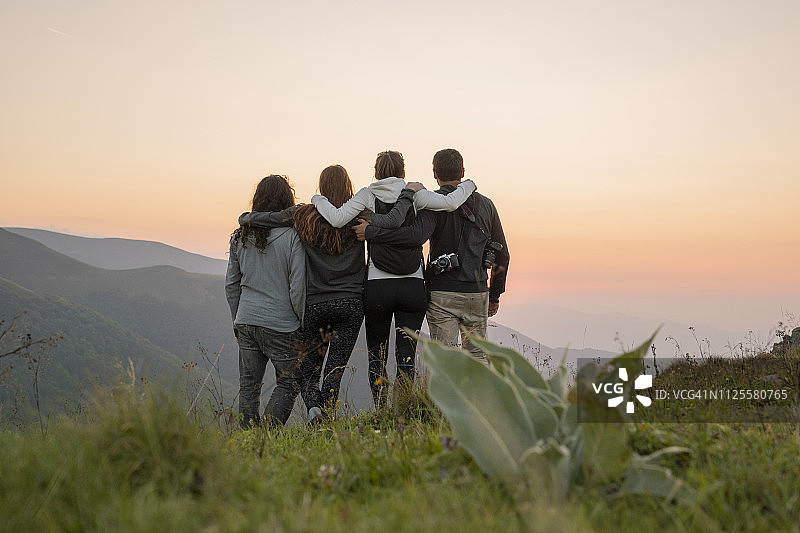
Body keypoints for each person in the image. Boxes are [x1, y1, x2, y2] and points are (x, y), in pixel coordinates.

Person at [237, 164, 417, 421]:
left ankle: (314, 410)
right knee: (336, 368)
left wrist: (246, 218)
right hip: (351, 304)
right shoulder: (360, 214)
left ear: (321, 186)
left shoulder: (304, 215)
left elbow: (272, 219)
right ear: (348, 186)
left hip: (316, 304)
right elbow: (393, 225)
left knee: (310, 368)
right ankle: (328, 418)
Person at [312, 151, 476, 405]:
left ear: (376, 172)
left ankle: (380, 408)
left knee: (377, 354)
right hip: (413, 285)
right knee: (406, 354)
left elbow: (336, 219)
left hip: (378, 287)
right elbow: (451, 203)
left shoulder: (367, 194)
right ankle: (403, 407)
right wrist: (469, 184)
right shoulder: (415, 193)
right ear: (403, 172)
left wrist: (317, 199)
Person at [355, 148, 509, 363]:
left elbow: (414, 236)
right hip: (477, 292)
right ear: (462, 172)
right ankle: (479, 388)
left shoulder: (432, 203)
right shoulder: (487, 205)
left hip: (441, 292)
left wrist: (371, 232)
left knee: (444, 361)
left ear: (435, 173)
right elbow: (503, 254)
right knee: (477, 356)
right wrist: (494, 295)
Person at [225, 174, 305, 429]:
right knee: (290, 381)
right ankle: (268, 434)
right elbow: (297, 288)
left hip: (246, 320)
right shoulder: (292, 237)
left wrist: (237, 321)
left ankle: (249, 437)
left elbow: (231, 285)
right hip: (281, 323)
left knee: (249, 385)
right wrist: (301, 323)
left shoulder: (240, 236)